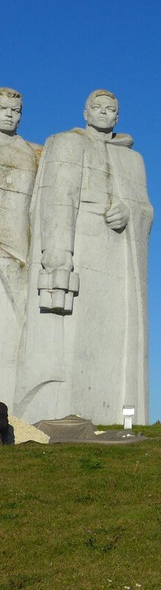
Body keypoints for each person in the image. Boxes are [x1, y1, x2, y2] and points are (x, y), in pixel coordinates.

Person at [16, 90, 153, 426]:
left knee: (116, 337)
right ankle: (59, 409)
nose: (104, 113)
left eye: (111, 109)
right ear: (85, 112)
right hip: (80, 246)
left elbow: (144, 207)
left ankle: (117, 415)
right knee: (69, 337)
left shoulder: (133, 159)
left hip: (119, 256)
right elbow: (56, 200)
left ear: (118, 117)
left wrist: (129, 212)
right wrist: (58, 255)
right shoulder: (65, 143)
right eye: (98, 108)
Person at [0, 88, 41, 405]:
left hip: (18, 250)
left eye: (15, 111)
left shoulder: (33, 152)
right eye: (3, 109)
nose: (9, 115)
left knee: (21, 323)